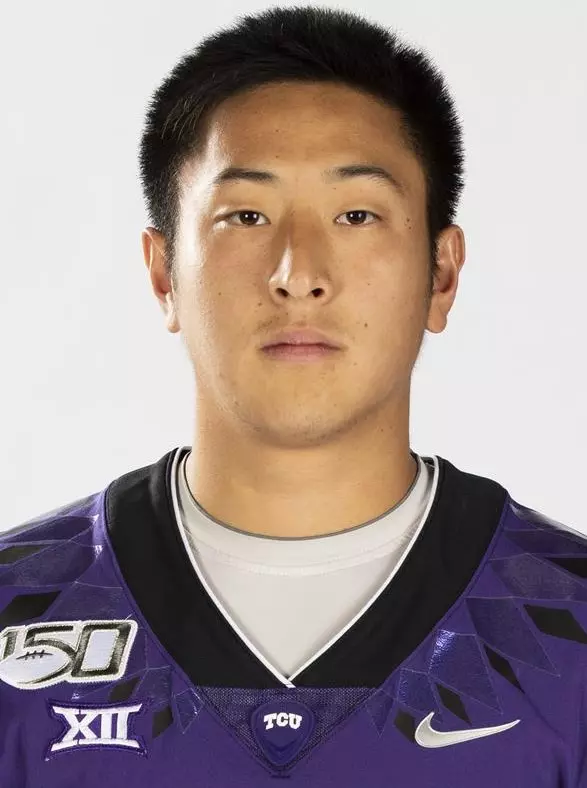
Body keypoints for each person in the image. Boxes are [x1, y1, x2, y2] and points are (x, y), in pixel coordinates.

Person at [1, 5, 585, 786]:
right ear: (162, 272)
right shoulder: (21, 613)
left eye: (356, 214)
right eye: (245, 214)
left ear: (440, 274)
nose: (297, 272)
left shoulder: (569, 631)